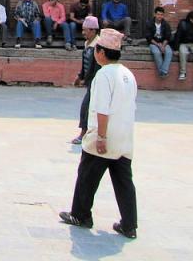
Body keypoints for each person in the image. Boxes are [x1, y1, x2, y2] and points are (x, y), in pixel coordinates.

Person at [59, 28, 138, 240]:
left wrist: (101, 137)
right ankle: (129, 225)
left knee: (87, 176)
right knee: (124, 182)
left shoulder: (103, 75)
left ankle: (80, 215)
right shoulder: (128, 75)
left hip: (104, 136)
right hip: (124, 138)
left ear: (101, 52)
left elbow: (102, 109)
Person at [72, 16, 101, 145]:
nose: (83, 32)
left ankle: (83, 134)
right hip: (90, 81)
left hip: (98, 82)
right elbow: (85, 63)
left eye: (86, 30)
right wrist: (80, 76)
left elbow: (96, 67)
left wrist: (88, 80)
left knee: (86, 107)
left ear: (93, 31)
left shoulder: (99, 46)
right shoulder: (87, 43)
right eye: (83, 30)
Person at [144, 7, 173, 78]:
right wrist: (158, 45)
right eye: (158, 14)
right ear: (155, 14)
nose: (160, 16)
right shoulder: (149, 23)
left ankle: (163, 71)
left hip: (163, 43)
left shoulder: (165, 24)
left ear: (163, 15)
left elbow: (168, 36)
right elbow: (148, 37)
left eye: (161, 15)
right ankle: (163, 72)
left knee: (169, 52)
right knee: (156, 52)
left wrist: (163, 45)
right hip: (153, 43)